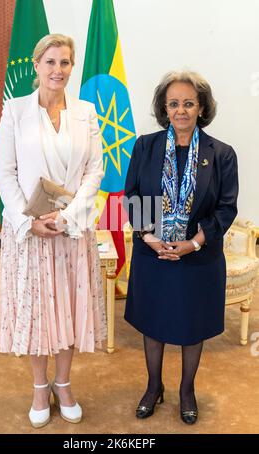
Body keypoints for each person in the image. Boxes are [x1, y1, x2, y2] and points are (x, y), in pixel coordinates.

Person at [0, 34, 106, 428]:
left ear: (72, 68)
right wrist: (29, 220)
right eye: (51, 62)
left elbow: (96, 169)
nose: (58, 70)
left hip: (71, 230)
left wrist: (68, 215)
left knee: (69, 312)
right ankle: (40, 387)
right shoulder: (15, 110)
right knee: (39, 312)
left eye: (65, 62)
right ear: (37, 65)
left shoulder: (87, 112)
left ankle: (64, 383)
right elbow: (4, 172)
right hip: (30, 232)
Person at [124, 71, 238, 424]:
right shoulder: (145, 145)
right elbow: (131, 198)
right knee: (153, 323)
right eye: (173, 103)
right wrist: (151, 238)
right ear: (164, 108)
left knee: (192, 325)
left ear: (201, 108)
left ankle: (187, 390)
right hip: (152, 252)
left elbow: (226, 208)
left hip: (198, 258)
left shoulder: (221, 154)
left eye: (189, 103)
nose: (181, 110)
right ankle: (153, 386)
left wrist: (193, 243)